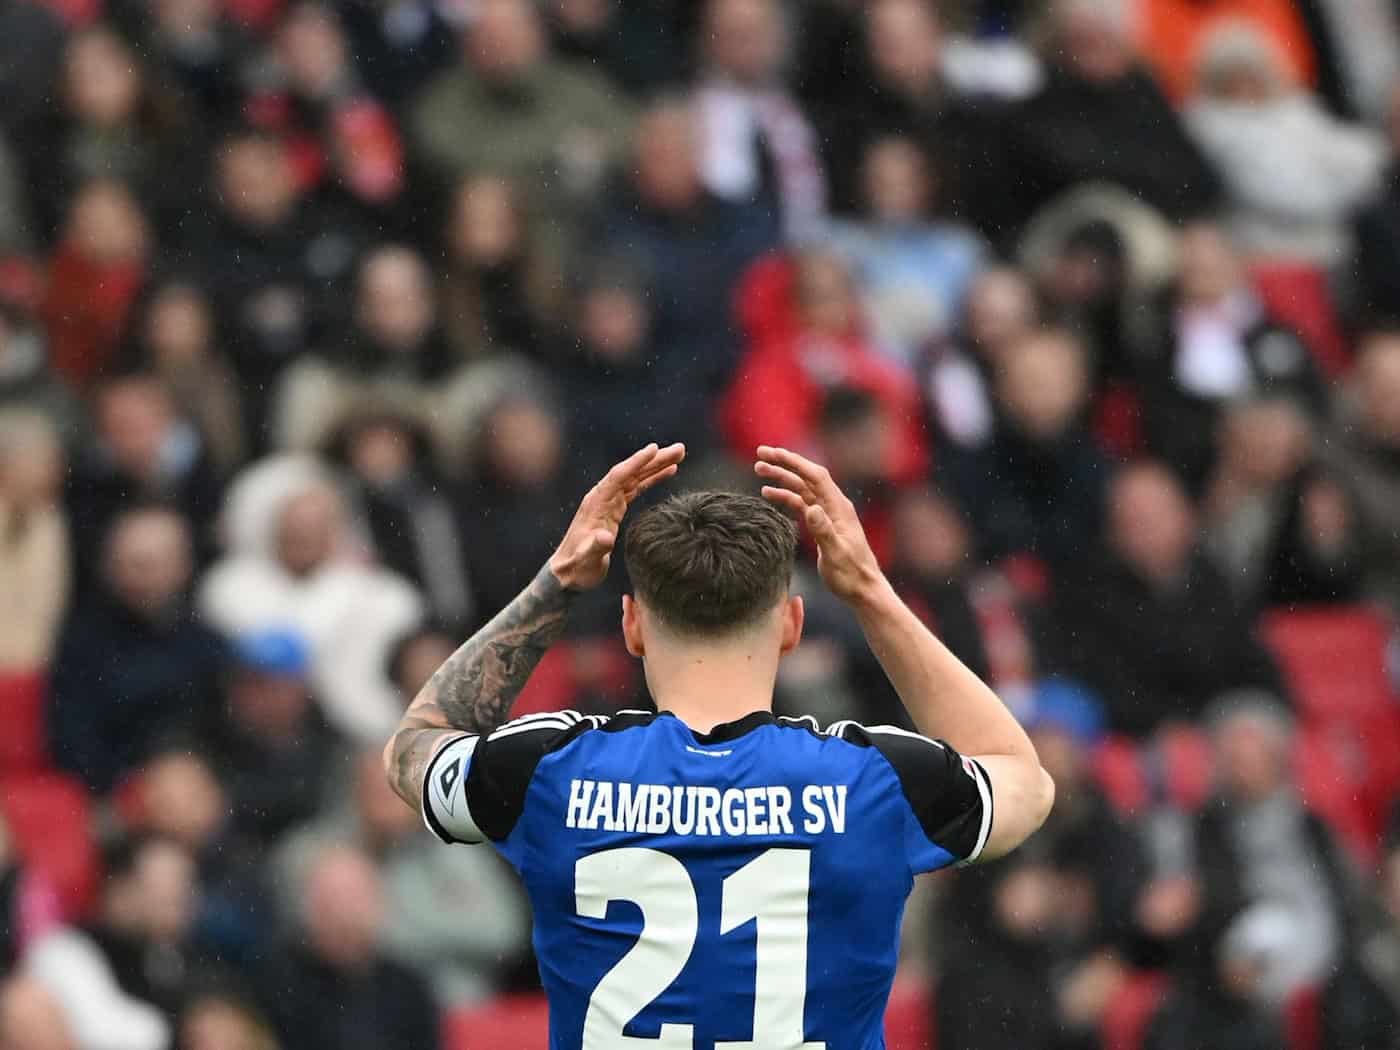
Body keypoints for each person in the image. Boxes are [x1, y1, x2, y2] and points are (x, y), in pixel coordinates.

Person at [383, 441, 1054, 1048]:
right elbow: (1023, 781)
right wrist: (869, 592)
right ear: (791, 624)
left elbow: (414, 748)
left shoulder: (550, 769)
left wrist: (556, 581)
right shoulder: (872, 777)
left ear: (632, 625)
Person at [49, 506, 226, 794]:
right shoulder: (81, 647)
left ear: (183, 565)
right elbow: (72, 747)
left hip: (201, 793)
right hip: (115, 798)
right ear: (109, 567)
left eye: (154, 563)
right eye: (133, 564)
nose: (144, 577)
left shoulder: (209, 644)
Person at [258, 846, 439, 1050]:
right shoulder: (278, 987)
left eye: (355, 899)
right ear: (306, 910)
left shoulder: (409, 989)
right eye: (329, 902)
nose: (343, 915)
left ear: (380, 905)